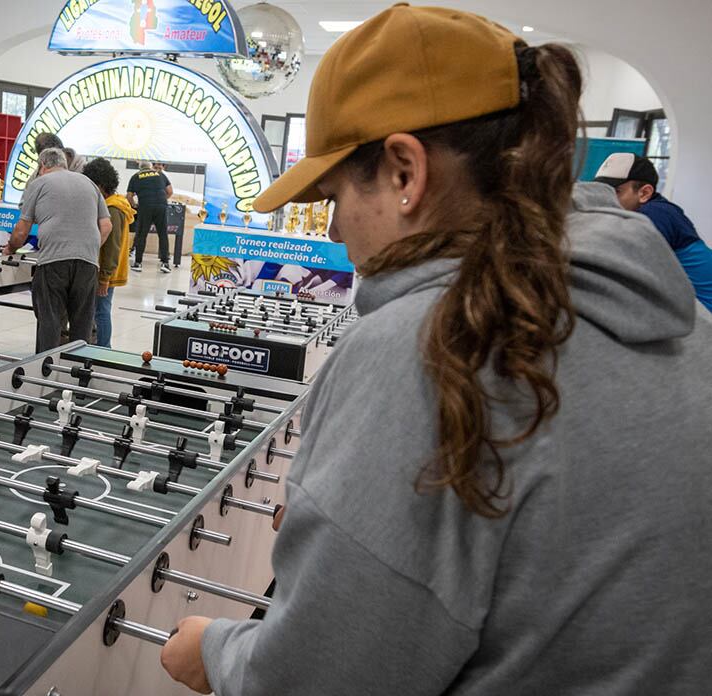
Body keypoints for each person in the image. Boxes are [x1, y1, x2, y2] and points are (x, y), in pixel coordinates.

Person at [161, 5, 712, 695]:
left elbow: (319, 679)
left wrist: (216, 653)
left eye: (334, 195)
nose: (334, 230)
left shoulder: (428, 345)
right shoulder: (684, 318)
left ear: (403, 172)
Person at [6, 148, 111, 352]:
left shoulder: (39, 183)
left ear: (42, 166)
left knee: (50, 323)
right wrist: (86, 246)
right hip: (88, 263)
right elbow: (106, 226)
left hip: (53, 263)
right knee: (82, 326)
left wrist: (10, 247)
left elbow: (22, 229)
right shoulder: (88, 183)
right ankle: (80, 374)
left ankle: (44, 373)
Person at [594, 152, 712, 311]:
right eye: (602, 191)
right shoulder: (653, 211)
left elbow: (623, 269)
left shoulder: (655, 214)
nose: (604, 199)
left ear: (644, 193)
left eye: (616, 192)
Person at [82, 157, 134, 348]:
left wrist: (104, 277)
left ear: (101, 185)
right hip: (107, 269)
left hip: (106, 270)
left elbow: (113, 246)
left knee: (102, 311)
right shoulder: (115, 203)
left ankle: (104, 348)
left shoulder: (112, 208)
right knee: (100, 310)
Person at [127, 159, 173, 273]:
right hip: (161, 206)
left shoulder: (135, 176)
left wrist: (135, 205)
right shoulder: (160, 174)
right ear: (150, 167)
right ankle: (165, 263)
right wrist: (162, 200)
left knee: (141, 234)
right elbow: (170, 191)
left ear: (140, 168)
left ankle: (138, 263)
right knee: (163, 234)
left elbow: (129, 196)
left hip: (145, 206)